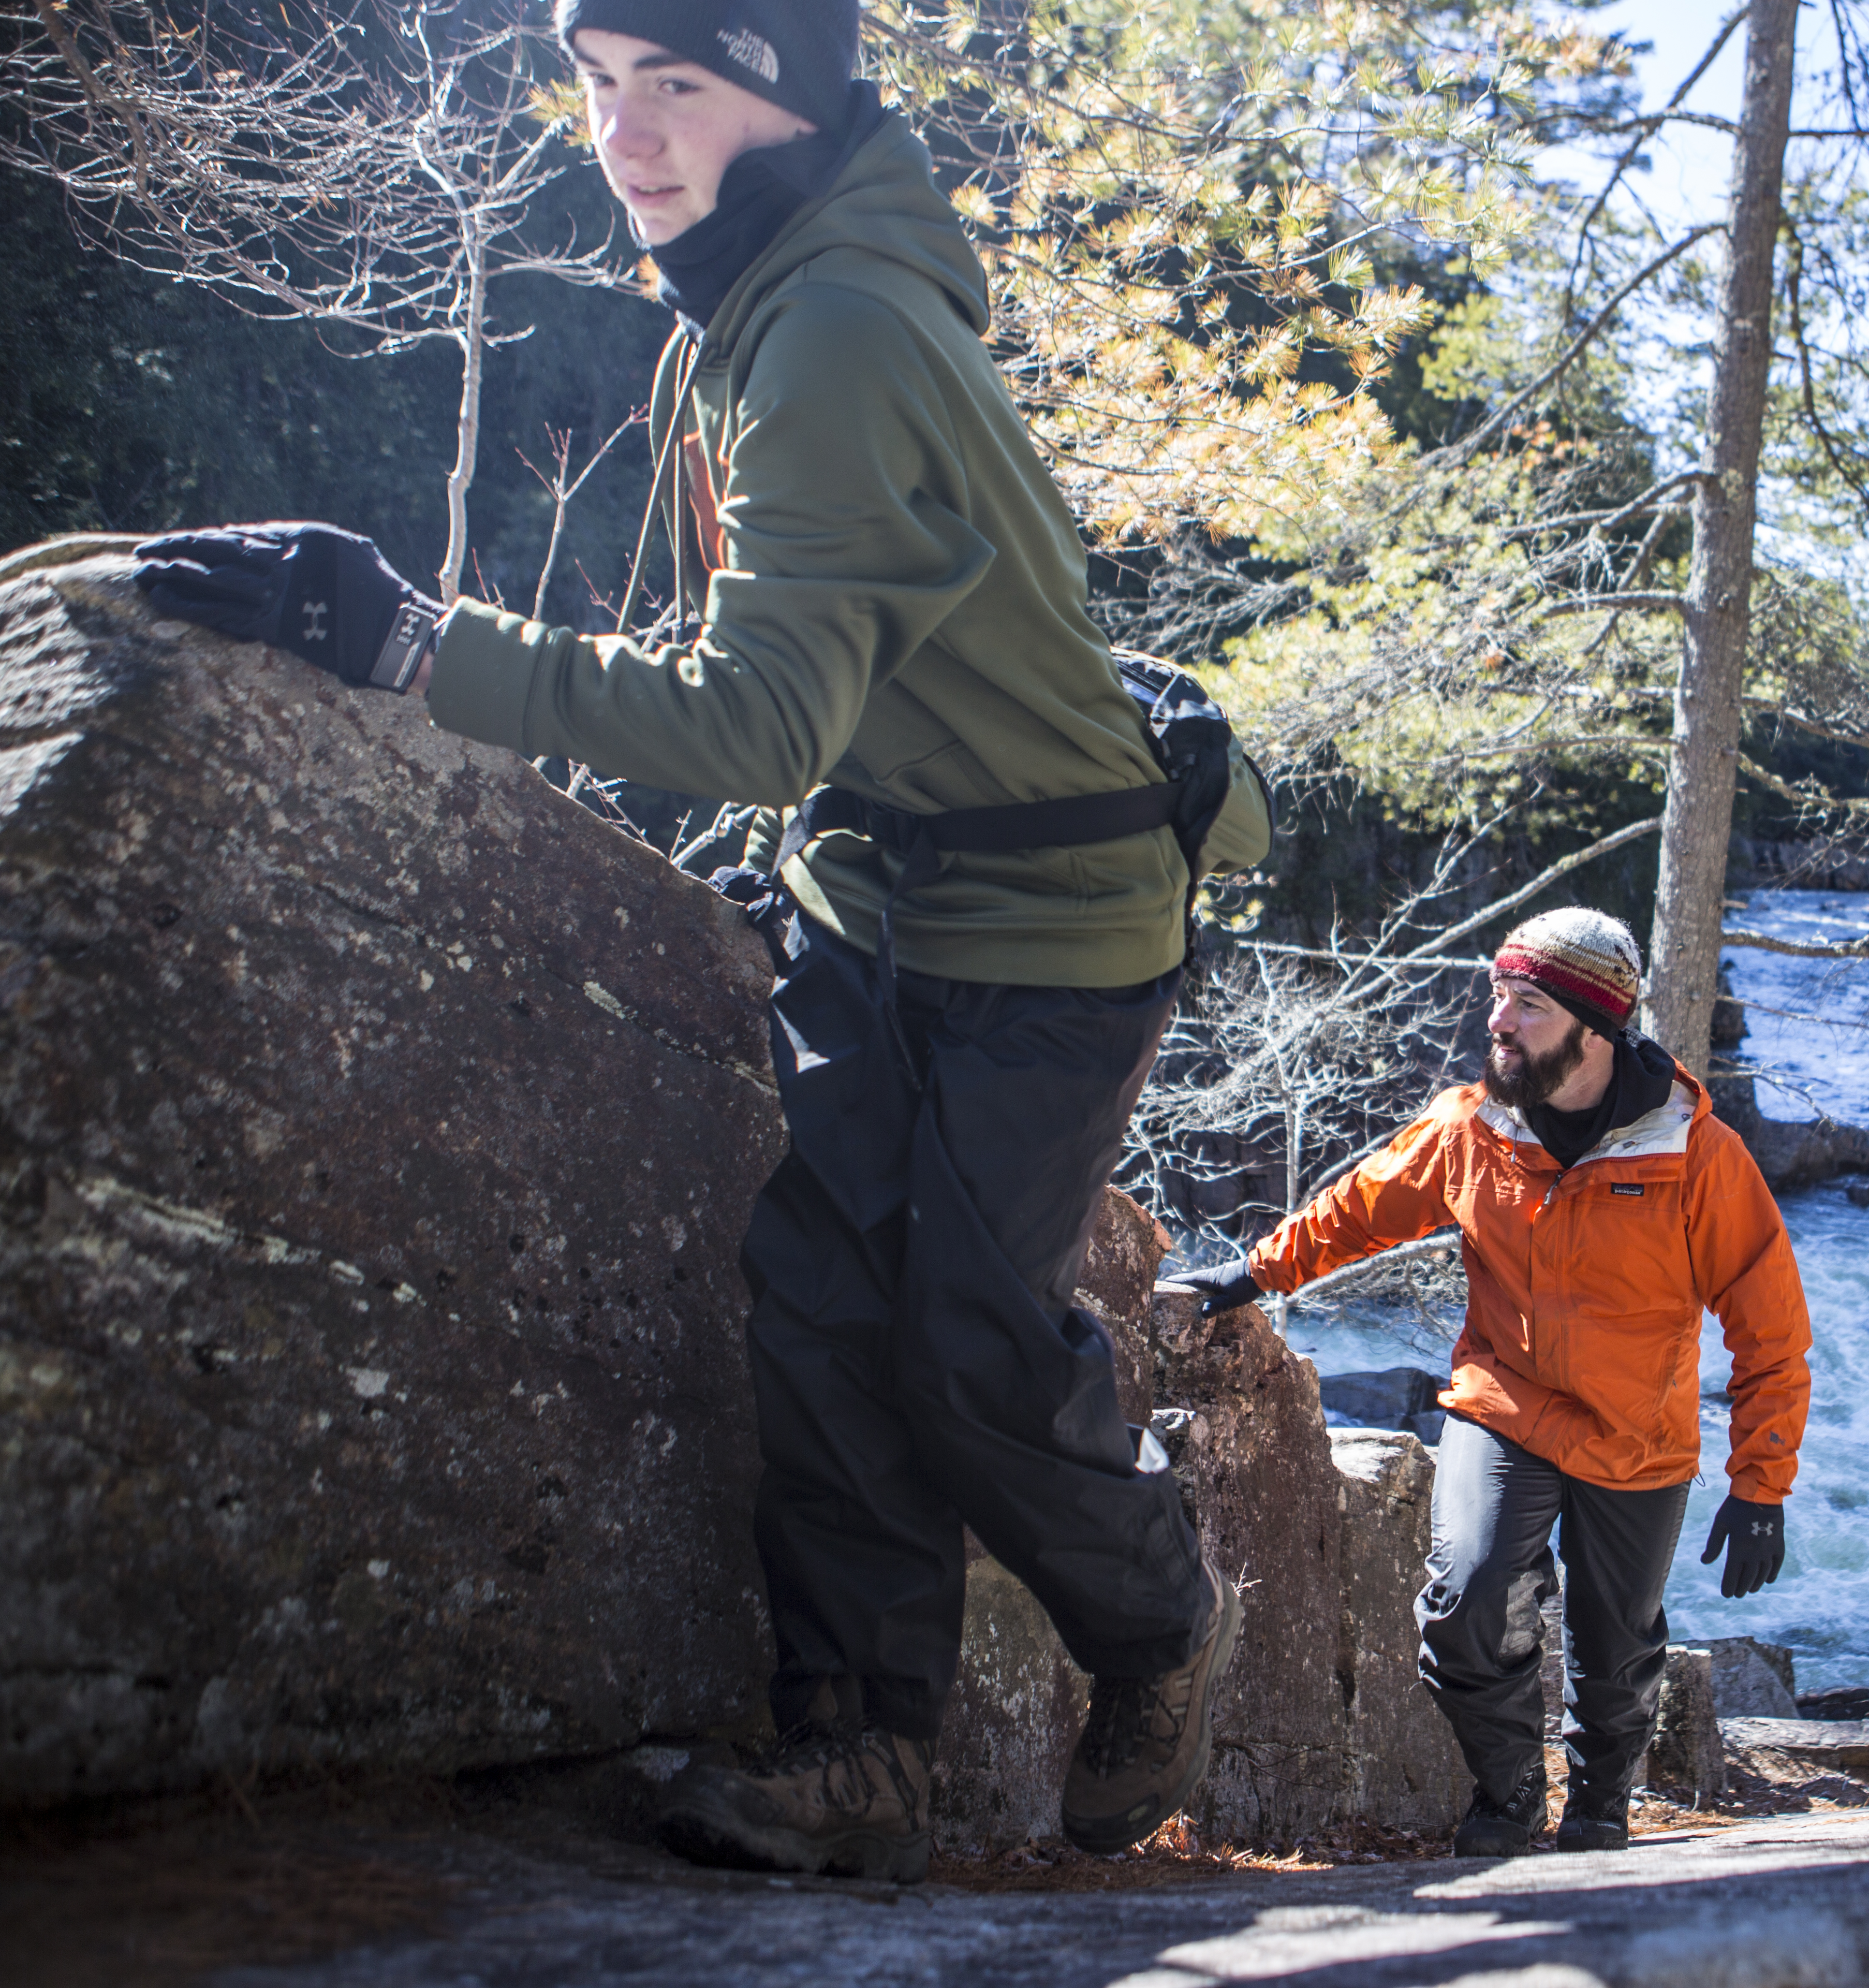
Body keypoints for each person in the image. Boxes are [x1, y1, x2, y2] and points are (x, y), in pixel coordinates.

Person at [130, 0, 1267, 1885]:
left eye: (680, 85)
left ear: (790, 102)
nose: (626, 133)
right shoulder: (754, 298)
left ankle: (1161, 1624)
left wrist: (416, 641)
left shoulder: (825, 328)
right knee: (820, 1300)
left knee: (967, 1333)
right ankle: (863, 1755)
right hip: (875, 885)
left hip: (1057, 918)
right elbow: (824, 680)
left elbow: (757, 715)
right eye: (599, 84)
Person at [1165, 908, 1811, 1856]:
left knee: (1618, 1644)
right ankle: (1509, 1800)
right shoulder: (1475, 1127)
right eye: (1498, 996)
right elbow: (1362, 1207)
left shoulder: (1695, 1155)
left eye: (1529, 1005)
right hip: (1503, 1403)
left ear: (1596, 1029)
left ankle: (1598, 1805)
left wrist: (1762, 1486)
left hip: (1638, 1431)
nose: (1499, 1021)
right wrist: (1254, 1273)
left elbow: (1770, 1329)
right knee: (1465, 1604)